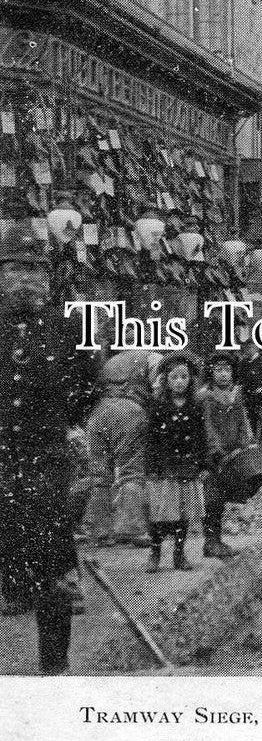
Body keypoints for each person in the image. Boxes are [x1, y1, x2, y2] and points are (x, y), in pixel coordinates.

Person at [0, 222, 99, 672]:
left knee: (52, 568)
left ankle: (53, 668)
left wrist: (64, 425)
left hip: (45, 460)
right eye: (18, 269)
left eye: (37, 270)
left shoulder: (69, 327)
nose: (29, 279)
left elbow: (87, 386)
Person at [83, 350, 158, 548]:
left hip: (98, 411)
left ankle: (99, 531)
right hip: (130, 411)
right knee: (131, 471)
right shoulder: (152, 357)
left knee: (100, 476)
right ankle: (131, 528)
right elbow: (159, 389)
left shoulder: (111, 361)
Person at [145, 353, 207, 573]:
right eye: (174, 377)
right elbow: (151, 439)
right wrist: (151, 466)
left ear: (190, 380)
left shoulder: (195, 407)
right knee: (160, 513)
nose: (179, 381)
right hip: (165, 467)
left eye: (183, 377)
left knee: (183, 513)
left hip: (187, 466)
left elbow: (201, 438)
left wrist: (203, 464)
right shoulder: (158, 407)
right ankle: (155, 552)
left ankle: (179, 554)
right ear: (166, 380)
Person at [199, 352, 253, 559]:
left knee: (221, 498)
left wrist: (246, 441)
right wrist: (216, 450)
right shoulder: (206, 397)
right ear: (211, 373)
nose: (223, 374)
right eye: (219, 370)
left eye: (227, 370)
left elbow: (243, 422)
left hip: (231, 455)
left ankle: (216, 540)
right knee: (211, 498)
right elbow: (208, 427)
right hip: (212, 456)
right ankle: (211, 541)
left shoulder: (235, 395)